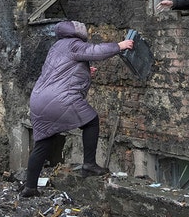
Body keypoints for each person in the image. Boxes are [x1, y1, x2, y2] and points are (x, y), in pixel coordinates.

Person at [20, 20, 134, 197]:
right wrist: (119, 45)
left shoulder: (56, 47)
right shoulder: (74, 44)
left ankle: (30, 187)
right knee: (91, 121)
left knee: (43, 143)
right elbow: (95, 52)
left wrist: (86, 72)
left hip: (38, 99)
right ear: (77, 32)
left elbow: (62, 72)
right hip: (59, 99)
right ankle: (89, 164)